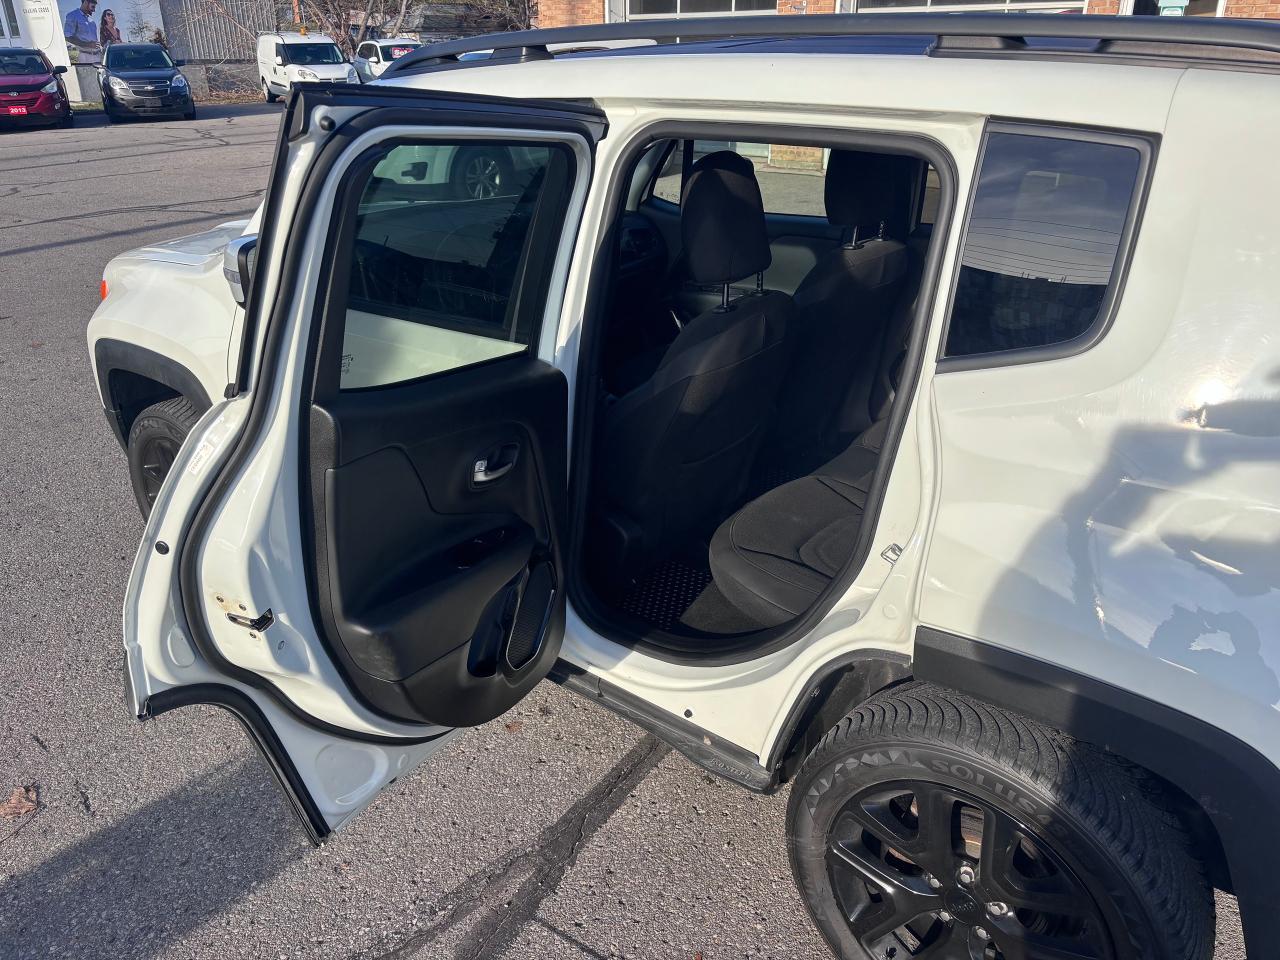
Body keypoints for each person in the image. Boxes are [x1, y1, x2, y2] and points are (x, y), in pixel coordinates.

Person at [64, 0, 102, 65]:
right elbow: (67, 37)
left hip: (97, 56)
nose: (94, 10)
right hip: (85, 57)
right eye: (92, 7)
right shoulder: (73, 15)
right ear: (85, 2)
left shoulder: (91, 21)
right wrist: (88, 44)